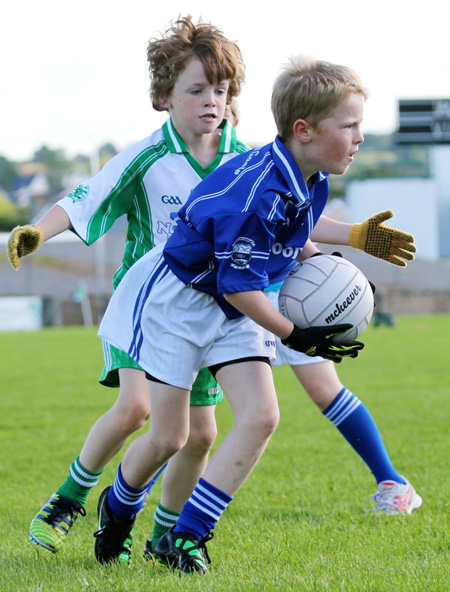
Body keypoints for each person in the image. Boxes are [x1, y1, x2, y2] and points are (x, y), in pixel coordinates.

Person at [95, 54, 371, 575]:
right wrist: (299, 335)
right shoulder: (257, 192)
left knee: (262, 416)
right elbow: (240, 286)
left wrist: (347, 264)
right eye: (351, 125)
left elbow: (297, 236)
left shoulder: (308, 178)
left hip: (228, 306)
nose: (360, 137)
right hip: (178, 304)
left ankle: (187, 537)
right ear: (304, 130)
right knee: (169, 438)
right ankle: (119, 504)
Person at [7, 16, 248, 562]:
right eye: (196, 90)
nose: (211, 100)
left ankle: (165, 537)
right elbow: (84, 197)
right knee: (138, 410)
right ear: (164, 96)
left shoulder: (245, 162)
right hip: (139, 310)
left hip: (205, 316)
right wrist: (35, 232)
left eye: (220, 89)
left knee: (200, 435)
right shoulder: (147, 157)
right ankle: (68, 500)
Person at [225, 103, 421, 514]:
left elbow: (294, 229)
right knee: (187, 411)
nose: (216, 109)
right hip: (223, 293)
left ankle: (392, 481)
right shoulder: (218, 167)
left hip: (277, 288)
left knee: (322, 387)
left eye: (226, 100)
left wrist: (327, 262)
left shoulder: (257, 159)